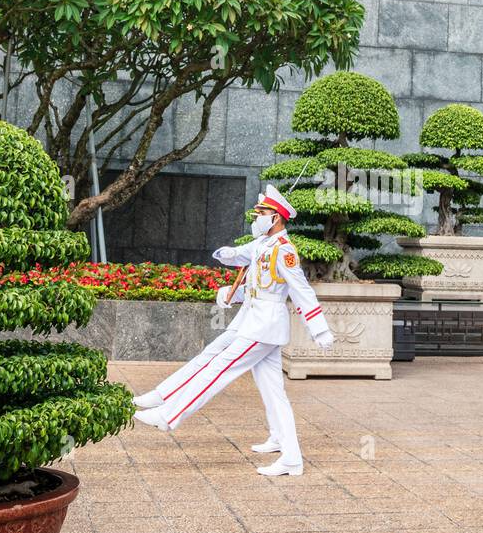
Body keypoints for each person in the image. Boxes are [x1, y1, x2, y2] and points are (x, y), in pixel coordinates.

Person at [132, 185, 334, 476]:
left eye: (262, 213)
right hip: (253, 320)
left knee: (218, 368)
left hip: (264, 327)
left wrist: (319, 329)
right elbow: (244, 264)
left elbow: (300, 291)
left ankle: (169, 413)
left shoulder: (284, 250)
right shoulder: (263, 244)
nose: (256, 218)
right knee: (271, 391)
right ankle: (288, 451)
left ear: (276, 218)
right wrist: (227, 266)